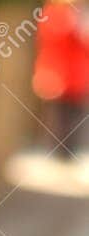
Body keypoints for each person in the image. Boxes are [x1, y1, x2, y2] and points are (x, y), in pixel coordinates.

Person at [33, 0, 89, 157]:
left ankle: (70, 154)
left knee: (75, 119)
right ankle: (59, 155)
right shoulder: (54, 14)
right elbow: (53, 38)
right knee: (59, 120)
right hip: (58, 79)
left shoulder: (80, 17)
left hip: (77, 80)